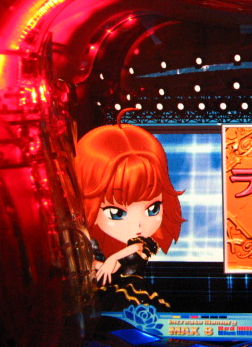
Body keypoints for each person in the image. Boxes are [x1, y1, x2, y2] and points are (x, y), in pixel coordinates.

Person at [75, 108, 184, 311]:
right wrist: (99, 265)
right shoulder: (93, 243)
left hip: (134, 295)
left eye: (153, 208)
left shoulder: (141, 244)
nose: (139, 225)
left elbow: (134, 250)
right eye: (117, 213)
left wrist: (112, 259)